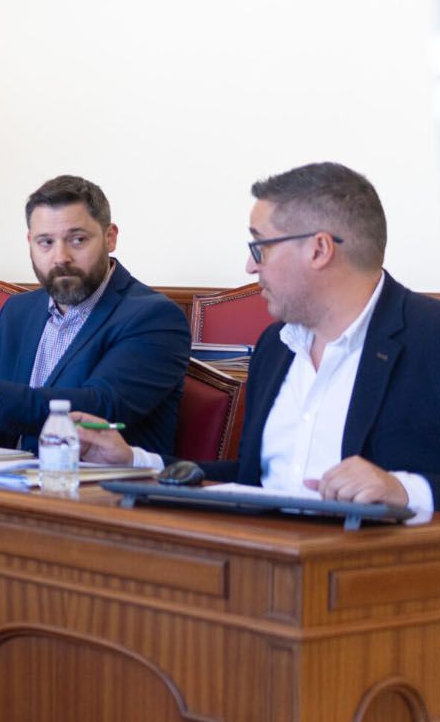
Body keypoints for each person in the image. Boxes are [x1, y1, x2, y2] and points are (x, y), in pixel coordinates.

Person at [78, 162, 440, 517]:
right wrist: (136, 462)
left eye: (260, 247)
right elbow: (258, 483)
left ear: (319, 250)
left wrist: (406, 490)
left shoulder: (429, 337)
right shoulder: (276, 346)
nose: (251, 267)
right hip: (261, 563)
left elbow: (407, 487)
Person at [0, 174, 189, 457]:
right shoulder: (18, 311)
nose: (60, 257)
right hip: (6, 483)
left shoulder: (155, 317)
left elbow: (100, 406)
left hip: (100, 491)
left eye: (77, 240)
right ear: (30, 242)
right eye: (46, 242)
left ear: (110, 237)